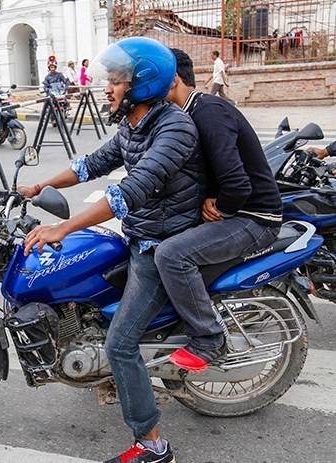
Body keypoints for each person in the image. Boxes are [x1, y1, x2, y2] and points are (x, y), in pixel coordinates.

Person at [21, 37, 204, 463]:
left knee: (121, 342)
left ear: (140, 86)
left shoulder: (173, 127)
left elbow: (131, 192)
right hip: (140, 233)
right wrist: (38, 186)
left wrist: (63, 227)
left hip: (160, 244)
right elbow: (91, 164)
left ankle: (153, 446)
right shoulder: (133, 124)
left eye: (116, 81)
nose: (107, 87)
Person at [158, 48, 282, 371]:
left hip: (254, 218)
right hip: (241, 212)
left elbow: (238, 185)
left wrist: (221, 207)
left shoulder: (208, 111)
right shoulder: (188, 113)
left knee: (172, 255)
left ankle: (209, 337)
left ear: (171, 81)